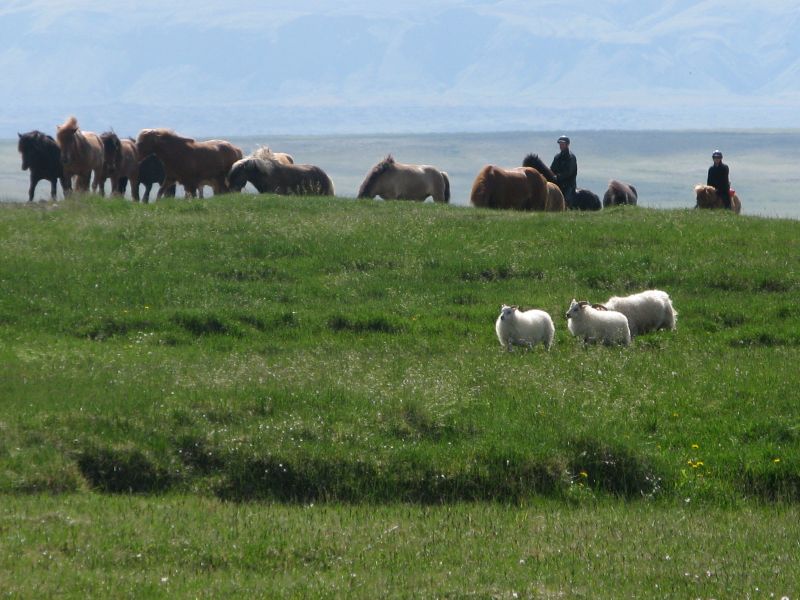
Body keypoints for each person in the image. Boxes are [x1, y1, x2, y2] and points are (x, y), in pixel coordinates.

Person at [550, 135, 577, 206]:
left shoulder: (571, 158)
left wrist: (558, 177)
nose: (561, 146)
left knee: (566, 199)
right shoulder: (557, 157)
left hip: (568, 184)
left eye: (562, 144)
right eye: (560, 144)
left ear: (567, 145)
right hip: (557, 183)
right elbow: (552, 169)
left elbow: (568, 172)